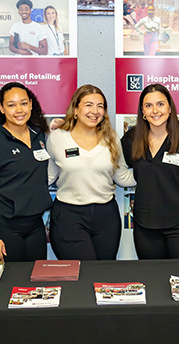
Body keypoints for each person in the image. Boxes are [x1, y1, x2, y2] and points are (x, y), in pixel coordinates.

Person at [47, 84, 135, 260]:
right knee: (83, 272)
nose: (95, 111)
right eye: (88, 104)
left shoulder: (111, 137)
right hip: (69, 216)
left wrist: (155, 172)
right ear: (76, 109)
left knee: (104, 274)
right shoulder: (57, 138)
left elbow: (122, 177)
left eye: (100, 106)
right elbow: (48, 177)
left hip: (106, 217)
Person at [121, 83, 179, 259]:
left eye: (160, 104)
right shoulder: (131, 140)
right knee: (152, 279)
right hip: (145, 226)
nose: (155, 110)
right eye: (148, 105)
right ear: (142, 111)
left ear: (169, 108)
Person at [0, 82, 52, 262]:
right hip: (3, 227)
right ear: (1, 108)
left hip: (35, 226)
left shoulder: (39, 136)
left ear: (31, 104)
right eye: (11, 105)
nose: (19, 110)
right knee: (7, 285)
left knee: (34, 283)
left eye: (23, 103)